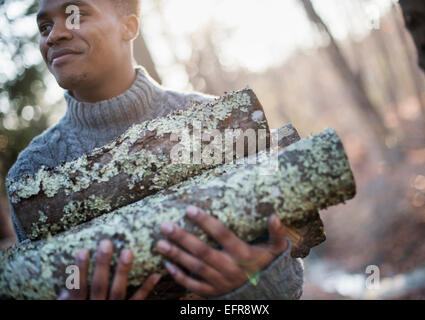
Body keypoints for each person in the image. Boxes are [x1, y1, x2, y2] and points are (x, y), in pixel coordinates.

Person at [2, 0, 304, 300]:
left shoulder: (218, 122)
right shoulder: (34, 173)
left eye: (75, 15)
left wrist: (255, 286)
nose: (54, 35)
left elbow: (285, 277)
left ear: (129, 26)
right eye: (44, 26)